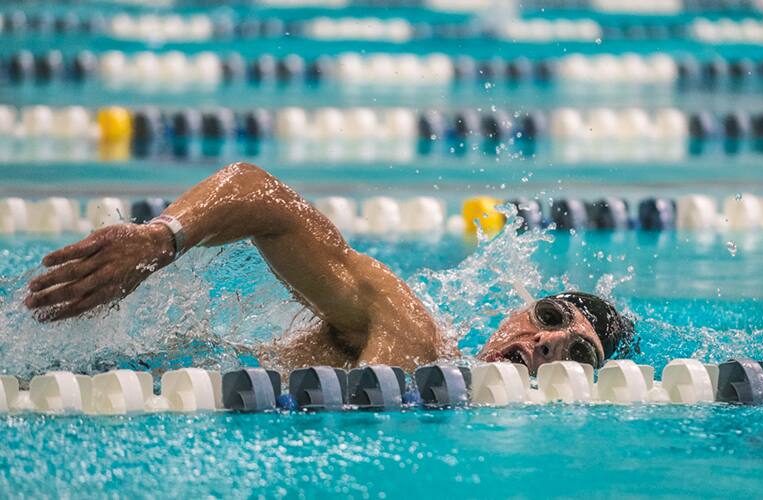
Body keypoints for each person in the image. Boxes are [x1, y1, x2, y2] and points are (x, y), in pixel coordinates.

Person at [24, 162, 634, 374]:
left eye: (578, 354)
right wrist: (160, 239)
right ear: (517, 308)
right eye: (551, 317)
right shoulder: (411, 333)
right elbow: (261, 194)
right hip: (142, 374)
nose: (549, 344)